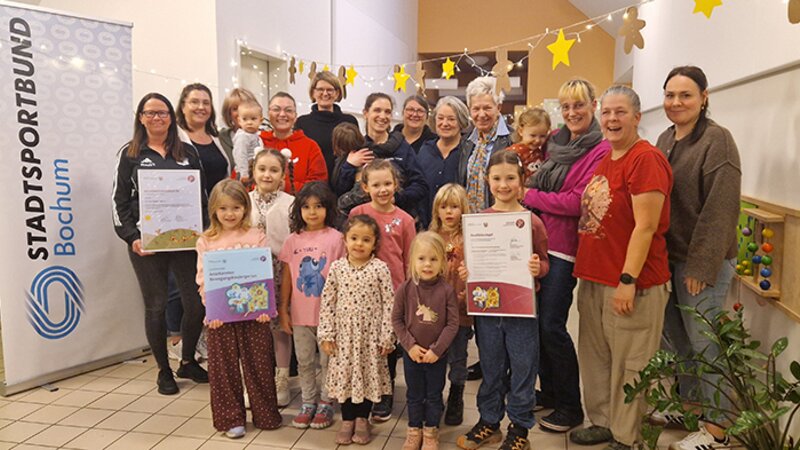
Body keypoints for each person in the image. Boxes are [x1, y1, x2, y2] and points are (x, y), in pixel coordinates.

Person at [569, 86, 673, 450]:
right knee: (597, 359)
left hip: (632, 282)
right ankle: (603, 422)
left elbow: (646, 226)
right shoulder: (608, 157)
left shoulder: (646, 160)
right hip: (595, 277)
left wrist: (627, 280)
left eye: (621, 112)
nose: (612, 119)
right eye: (607, 113)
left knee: (631, 364)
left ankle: (628, 437)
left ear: (637, 117)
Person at [656, 66, 741, 450]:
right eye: (670, 95)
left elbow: (720, 209)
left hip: (702, 264)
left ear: (704, 98)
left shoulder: (717, 141)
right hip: (670, 259)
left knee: (706, 345)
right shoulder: (665, 139)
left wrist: (702, 266)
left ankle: (718, 429)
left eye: (685, 95)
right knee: (680, 342)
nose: (676, 102)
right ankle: (692, 411)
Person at [521, 78, 611, 433]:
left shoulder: (599, 150)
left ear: (593, 106)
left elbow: (578, 202)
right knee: (536, 323)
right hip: (537, 243)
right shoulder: (556, 141)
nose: (572, 112)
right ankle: (551, 392)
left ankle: (571, 406)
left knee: (551, 325)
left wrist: (531, 196)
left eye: (579, 105)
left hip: (564, 249)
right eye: (566, 106)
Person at [112, 93, 208, 395]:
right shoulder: (130, 153)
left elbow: (202, 197)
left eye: (163, 112)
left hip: (185, 241)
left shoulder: (188, 152)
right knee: (156, 305)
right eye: (150, 112)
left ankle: (187, 360)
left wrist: (205, 233)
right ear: (141, 117)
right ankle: (164, 370)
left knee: (196, 304)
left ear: (171, 117)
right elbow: (119, 202)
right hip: (147, 244)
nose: (157, 118)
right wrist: (132, 237)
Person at [456, 150, 550, 450]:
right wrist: (467, 272)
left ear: (521, 181)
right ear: (488, 180)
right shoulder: (478, 223)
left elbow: (545, 262)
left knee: (523, 368)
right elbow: (471, 264)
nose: (503, 185)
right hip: (488, 311)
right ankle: (489, 421)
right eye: (497, 178)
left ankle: (519, 428)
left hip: (521, 310)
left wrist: (537, 268)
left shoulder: (531, 222)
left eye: (510, 178)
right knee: (492, 367)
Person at [196, 179, 282, 439]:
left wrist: (265, 306)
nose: (230, 214)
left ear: (245, 207)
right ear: (214, 210)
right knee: (223, 370)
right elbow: (202, 278)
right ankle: (231, 418)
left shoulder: (256, 236)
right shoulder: (206, 240)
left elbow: (265, 274)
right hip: (220, 318)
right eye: (223, 208)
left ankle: (266, 414)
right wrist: (212, 309)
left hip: (255, 316)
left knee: (260, 365)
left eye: (235, 207)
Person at [349, 159, 417, 422]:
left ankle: (385, 393)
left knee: (385, 343)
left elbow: (410, 260)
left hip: (393, 293)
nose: (383, 189)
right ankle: (363, 388)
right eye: (376, 185)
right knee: (363, 341)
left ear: (396, 184)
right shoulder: (357, 213)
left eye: (388, 183)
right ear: (365, 187)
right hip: (360, 292)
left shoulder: (405, 220)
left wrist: (409, 293)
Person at [319, 215, 395, 445]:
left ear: (375, 243)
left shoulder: (380, 268)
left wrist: (387, 336)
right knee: (346, 377)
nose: (359, 244)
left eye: (366, 239)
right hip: (343, 337)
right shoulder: (337, 268)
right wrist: (327, 334)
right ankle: (348, 419)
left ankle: (362, 418)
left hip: (370, 338)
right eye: (354, 238)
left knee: (367, 376)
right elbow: (328, 301)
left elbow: (389, 303)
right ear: (345, 240)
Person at [279, 182, 345, 430]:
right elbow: (287, 276)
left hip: (330, 317)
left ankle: (327, 401)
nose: (312, 212)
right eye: (306, 207)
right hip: (300, 316)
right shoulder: (292, 240)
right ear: (299, 210)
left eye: (318, 206)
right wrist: (283, 309)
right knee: (305, 361)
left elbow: (343, 276)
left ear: (328, 208)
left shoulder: (337, 238)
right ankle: (308, 402)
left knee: (329, 361)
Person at [392, 232, 459, 450]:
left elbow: (452, 324)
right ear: (412, 260)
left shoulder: (447, 291)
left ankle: (431, 431)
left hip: (436, 357)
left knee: (433, 395)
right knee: (414, 394)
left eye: (433, 259)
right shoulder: (405, 289)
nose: (427, 264)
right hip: (412, 355)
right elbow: (397, 320)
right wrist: (409, 346)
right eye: (421, 258)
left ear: (442, 262)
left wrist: (437, 350)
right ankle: (414, 430)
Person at [248, 149, 295, 407]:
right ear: (253, 171)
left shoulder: (291, 203)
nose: (267, 175)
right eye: (262, 169)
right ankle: (257, 382)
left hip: (280, 270)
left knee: (280, 327)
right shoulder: (244, 201)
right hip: (250, 271)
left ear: (282, 174)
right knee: (254, 329)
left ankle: (282, 379)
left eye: (274, 170)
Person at [333, 93, 428, 218]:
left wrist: (395, 198)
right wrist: (349, 165)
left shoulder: (402, 148)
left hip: (396, 219)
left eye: (387, 112)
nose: (382, 116)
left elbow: (420, 185)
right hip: (362, 221)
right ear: (366, 113)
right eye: (377, 110)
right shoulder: (356, 148)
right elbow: (340, 190)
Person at [428, 183, 471, 426]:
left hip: (460, 309)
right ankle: (435, 396)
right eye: (444, 207)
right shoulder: (431, 237)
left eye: (454, 207)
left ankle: (456, 395)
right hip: (434, 311)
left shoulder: (470, 239)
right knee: (436, 354)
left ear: (463, 209)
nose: (449, 212)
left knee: (458, 356)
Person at [457, 76, 513, 213]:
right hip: (470, 219)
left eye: (487, 108)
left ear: (498, 107)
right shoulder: (466, 142)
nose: (481, 114)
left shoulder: (513, 139)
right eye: (476, 109)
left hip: (503, 216)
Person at [417, 96, 471, 228]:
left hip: (460, 227)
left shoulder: (469, 152)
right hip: (428, 225)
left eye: (451, 119)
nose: (445, 123)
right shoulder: (425, 150)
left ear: (461, 122)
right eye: (440, 118)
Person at [295, 71, 359, 179]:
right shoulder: (302, 123)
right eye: (320, 89)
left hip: (345, 181)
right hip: (314, 183)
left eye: (330, 90)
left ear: (337, 93)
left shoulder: (349, 121)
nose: (325, 93)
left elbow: (357, 153)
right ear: (313, 93)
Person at [261, 92, 328, 193]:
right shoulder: (257, 142)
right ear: (268, 114)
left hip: (298, 202)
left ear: (295, 116)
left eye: (288, 110)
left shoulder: (310, 146)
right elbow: (243, 178)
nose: (282, 114)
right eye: (276, 109)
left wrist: (287, 187)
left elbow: (319, 185)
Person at [176, 83, 231, 196]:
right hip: (188, 204)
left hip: (219, 205)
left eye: (206, 103)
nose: (201, 107)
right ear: (183, 107)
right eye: (194, 102)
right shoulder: (174, 139)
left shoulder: (218, 138)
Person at [330, 123, 369, 216]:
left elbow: (341, 188)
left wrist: (348, 166)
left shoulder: (364, 160)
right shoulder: (341, 160)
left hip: (352, 208)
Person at [507, 107, 550, 187]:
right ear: (521, 131)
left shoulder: (539, 151)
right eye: (533, 135)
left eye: (542, 136)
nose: (537, 140)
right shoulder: (513, 153)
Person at [219, 88, 258, 165]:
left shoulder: (262, 137)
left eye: (245, 107)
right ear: (229, 113)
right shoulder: (220, 138)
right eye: (235, 109)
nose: (241, 112)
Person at [232, 99, 264, 185]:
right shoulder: (242, 136)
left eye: (253, 119)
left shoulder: (256, 135)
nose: (249, 122)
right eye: (245, 119)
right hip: (245, 173)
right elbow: (240, 155)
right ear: (239, 121)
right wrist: (244, 173)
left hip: (254, 170)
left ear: (260, 120)